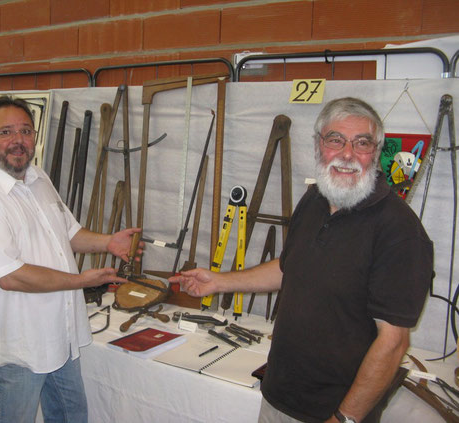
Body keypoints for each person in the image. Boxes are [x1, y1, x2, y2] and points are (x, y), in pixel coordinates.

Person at [169, 97, 433, 423]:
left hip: (332, 411)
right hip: (279, 394)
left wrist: (344, 418)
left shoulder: (400, 230)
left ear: (376, 152)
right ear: (319, 145)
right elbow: (288, 267)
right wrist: (220, 281)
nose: (347, 154)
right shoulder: (315, 199)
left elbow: (393, 343)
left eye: (361, 143)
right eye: (336, 140)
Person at [0, 95, 140, 423]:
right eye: (6, 132)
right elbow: (10, 276)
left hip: (59, 336)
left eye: (26, 131)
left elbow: (67, 233)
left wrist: (108, 242)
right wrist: (82, 281)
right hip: (17, 349)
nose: (18, 141)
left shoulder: (38, 179)